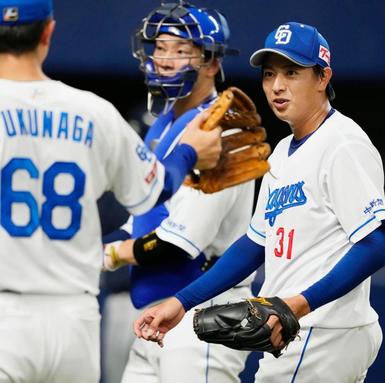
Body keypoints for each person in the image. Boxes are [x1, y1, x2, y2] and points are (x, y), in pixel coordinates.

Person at [133, 21, 385, 383]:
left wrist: (297, 304)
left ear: (322, 78)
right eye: (269, 74)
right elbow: (254, 244)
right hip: (307, 331)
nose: (277, 85)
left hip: (319, 330)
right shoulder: (283, 152)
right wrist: (182, 301)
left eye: (292, 72)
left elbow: (375, 246)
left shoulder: (343, 143)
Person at [0, 0, 223, 381]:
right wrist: (189, 153)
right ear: (49, 32)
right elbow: (156, 190)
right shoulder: (93, 111)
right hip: (75, 319)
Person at [101, 2, 255, 383]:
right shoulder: (161, 125)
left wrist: (110, 254)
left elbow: (177, 243)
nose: (166, 60)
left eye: (182, 50)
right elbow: (140, 219)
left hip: (204, 312)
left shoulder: (225, 128)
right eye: (160, 48)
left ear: (213, 64)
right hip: (155, 315)